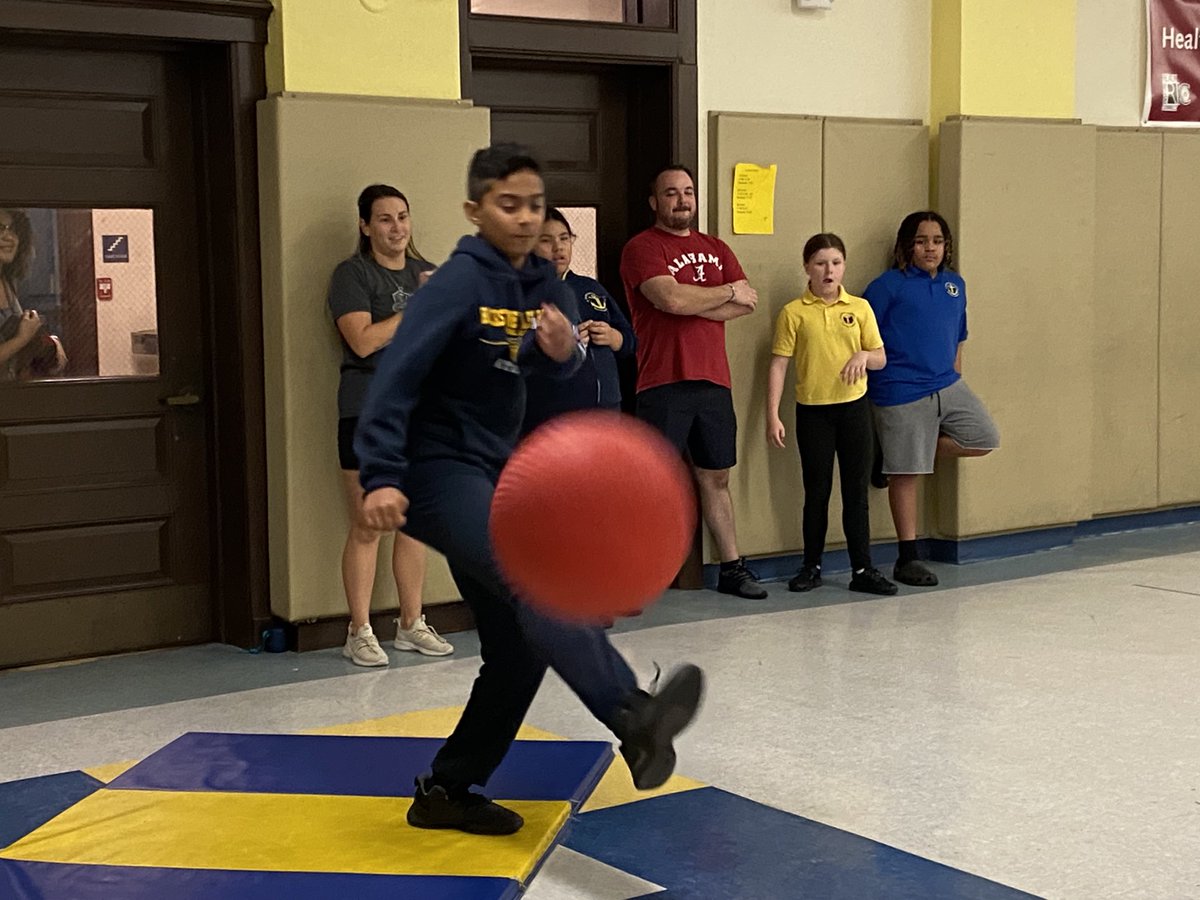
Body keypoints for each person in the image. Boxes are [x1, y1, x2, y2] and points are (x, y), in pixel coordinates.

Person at [354, 143, 704, 836]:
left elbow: (547, 374)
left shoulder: (546, 287)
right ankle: (632, 715)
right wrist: (382, 474)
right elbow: (395, 377)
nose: (522, 219)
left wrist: (561, 352)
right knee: (533, 577)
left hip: (492, 470)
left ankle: (448, 790)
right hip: (433, 469)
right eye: (506, 205)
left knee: (517, 648)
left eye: (534, 206)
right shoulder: (456, 282)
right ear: (474, 211)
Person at [619, 165, 767, 600]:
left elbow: (748, 303)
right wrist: (720, 293)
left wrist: (689, 302)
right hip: (662, 379)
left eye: (687, 192)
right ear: (654, 202)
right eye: (671, 193)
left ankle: (732, 568)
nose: (682, 200)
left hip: (713, 380)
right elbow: (668, 297)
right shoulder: (641, 248)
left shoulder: (716, 248)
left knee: (715, 476)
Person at [328, 185, 453, 665]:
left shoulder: (430, 274)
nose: (397, 227)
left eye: (403, 217)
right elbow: (362, 340)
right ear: (365, 226)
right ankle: (358, 630)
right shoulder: (352, 275)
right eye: (385, 219)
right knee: (368, 522)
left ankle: (410, 623)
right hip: (367, 411)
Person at [863, 211, 1000, 587]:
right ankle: (907, 557)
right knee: (907, 474)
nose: (930, 248)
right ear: (906, 246)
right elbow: (861, 337)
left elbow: (958, 337)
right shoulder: (887, 286)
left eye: (937, 241)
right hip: (900, 387)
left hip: (947, 383)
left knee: (985, 438)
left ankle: (895, 452)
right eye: (921, 241)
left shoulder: (956, 285)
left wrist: (954, 377)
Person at [765, 233, 897, 596]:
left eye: (836, 263)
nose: (829, 270)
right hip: (813, 412)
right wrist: (772, 414)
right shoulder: (795, 312)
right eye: (821, 263)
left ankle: (862, 568)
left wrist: (863, 357)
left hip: (854, 409)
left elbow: (880, 356)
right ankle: (811, 565)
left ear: (843, 267)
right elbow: (779, 365)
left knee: (856, 492)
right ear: (807, 267)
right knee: (817, 492)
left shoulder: (860, 308)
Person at [521, 207, 636, 434]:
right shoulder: (522, 292)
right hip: (551, 413)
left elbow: (631, 341)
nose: (559, 248)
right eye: (546, 240)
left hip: (606, 407)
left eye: (565, 239)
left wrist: (614, 338)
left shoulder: (590, 288)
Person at [0, 208, 66, 381]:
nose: (8, 237)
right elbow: (20, 337)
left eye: (14, 229)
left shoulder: (8, 281)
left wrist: (46, 343)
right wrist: (23, 338)